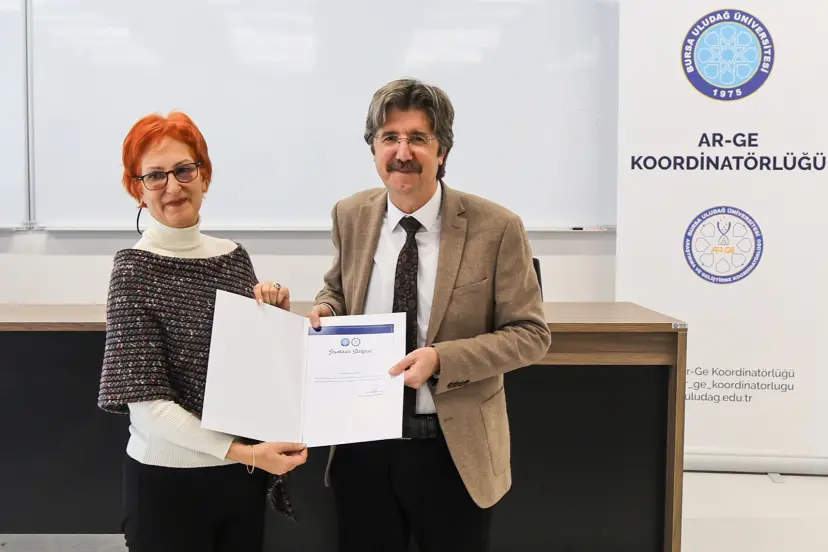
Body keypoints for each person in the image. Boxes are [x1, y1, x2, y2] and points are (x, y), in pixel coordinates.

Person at [308, 78, 552, 551]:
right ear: (373, 148)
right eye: (390, 138)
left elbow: (530, 334)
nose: (403, 152)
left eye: (418, 138)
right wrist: (327, 307)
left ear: (442, 151)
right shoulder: (350, 214)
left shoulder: (497, 227)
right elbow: (338, 288)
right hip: (362, 443)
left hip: (450, 448)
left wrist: (442, 359)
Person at [97, 111, 307, 552]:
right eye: (155, 175)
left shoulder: (233, 257)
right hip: (168, 485)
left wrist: (276, 321)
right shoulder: (133, 271)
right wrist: (248, 454)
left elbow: (253, 372)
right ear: (138, 190)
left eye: (183, 170)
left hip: (240, 480)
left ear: (204, 176)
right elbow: (149, 407)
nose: (173, 186)